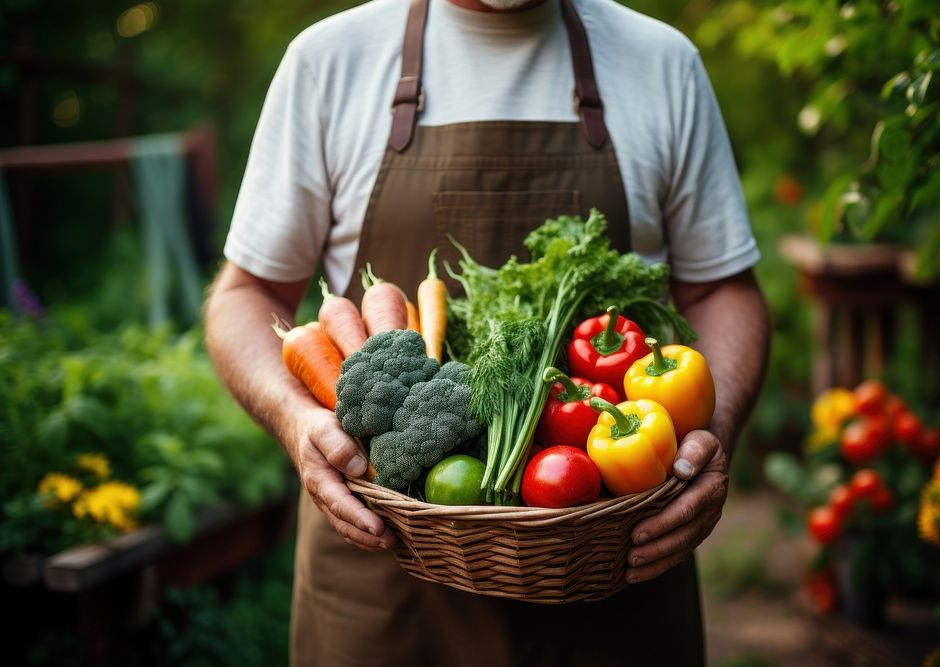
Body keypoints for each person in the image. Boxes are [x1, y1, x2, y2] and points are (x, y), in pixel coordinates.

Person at [204, 0, 770, 664]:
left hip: (612, 567)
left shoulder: (660, 63)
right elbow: (246, 294)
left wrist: (716, 427)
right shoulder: (329, 61)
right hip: (382, 589)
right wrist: (297, 420)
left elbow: (724, 290)